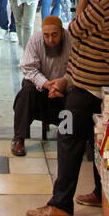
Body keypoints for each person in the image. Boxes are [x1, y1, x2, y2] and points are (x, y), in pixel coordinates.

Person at [27, 0, 109, 216]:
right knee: (98, 139)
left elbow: (73, 29)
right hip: (88, 81)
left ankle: (60, 204)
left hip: (90, 86)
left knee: (68, 137)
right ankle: (99, 191)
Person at [11, 15, 71, 155]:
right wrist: (46, 84)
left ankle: (69, 138)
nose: (51, 40)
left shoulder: (72, 41)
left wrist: (63, 82)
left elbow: (77, 67)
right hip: (42, 87)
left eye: (55, 35)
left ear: (62, 32)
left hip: (64, 86)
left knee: (76, 98)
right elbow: (28, 68)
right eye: (47, 36)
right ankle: (19, 138)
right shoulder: (35, 41)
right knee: (27, 91)